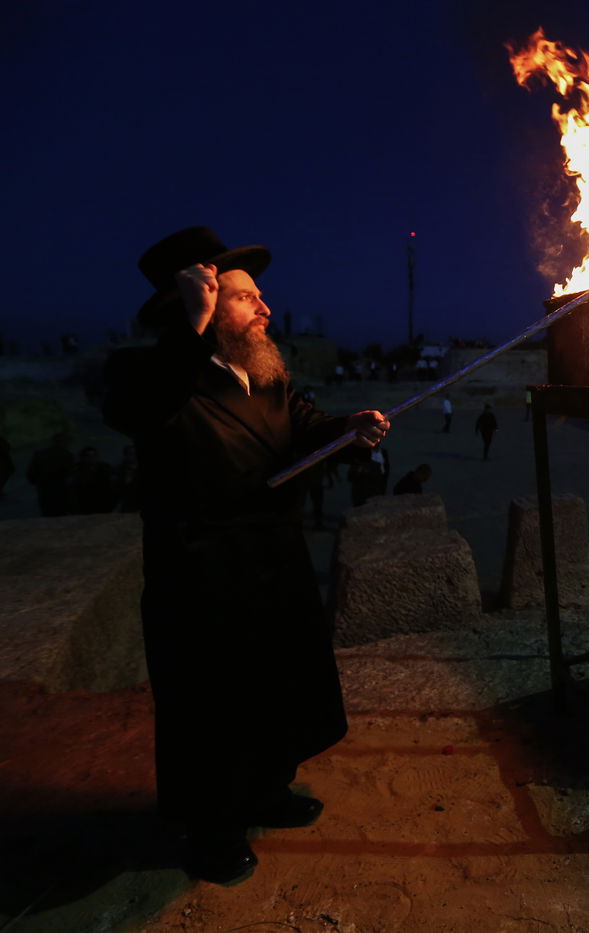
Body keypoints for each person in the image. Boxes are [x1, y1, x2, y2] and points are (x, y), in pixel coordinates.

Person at [103, 226, 391, 886]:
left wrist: (349, 432)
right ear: (197, 308)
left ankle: (266, 792)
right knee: (212, 708)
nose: (265, 308)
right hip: (201, 574)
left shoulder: (265, 373)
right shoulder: (153, 372)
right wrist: (190, 331)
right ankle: (212, 832)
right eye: (243, 298)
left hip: (274, 562)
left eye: (260, 296)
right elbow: (137, 408)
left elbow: (306, 427)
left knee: (276, 687)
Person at [26, 433, 74, 516]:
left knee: (47, 513)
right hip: (60, 490)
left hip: (44, 489)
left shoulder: (39, 454)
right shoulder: (67, 455)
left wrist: (38, 483)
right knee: (61, 514)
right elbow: (69, 475)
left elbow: (31, 473)